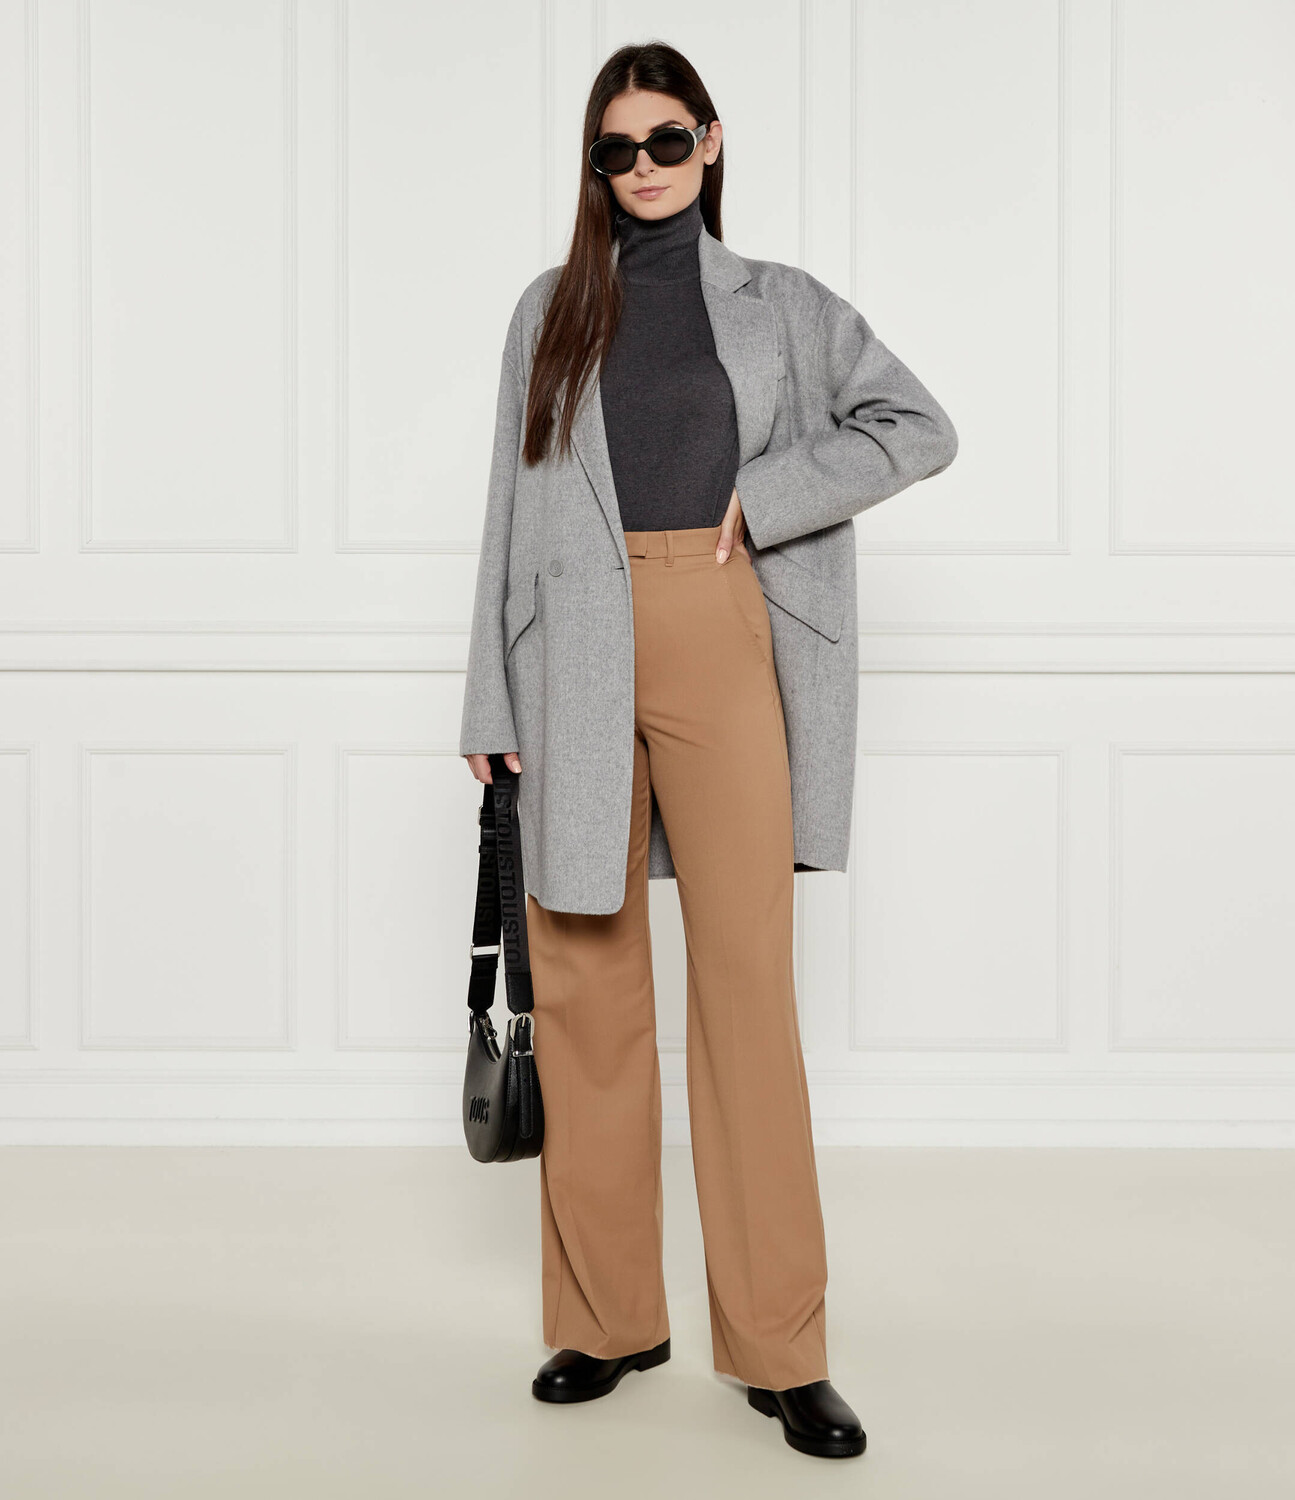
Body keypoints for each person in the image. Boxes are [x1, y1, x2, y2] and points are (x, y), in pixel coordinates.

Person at [460, 40, 957, 1460]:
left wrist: (775, 492)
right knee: (585, 983)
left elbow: (918, 426)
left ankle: (781, 1348)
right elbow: (508, 509)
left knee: (745, 990)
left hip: (720, 624)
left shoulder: (784, 305)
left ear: (711, 142)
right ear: (594, 164)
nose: (641, 169)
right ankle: (606, 1318)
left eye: (664, 141)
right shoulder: (550, 309)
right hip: (570, 646)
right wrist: (488, 703)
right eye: (614, 149)